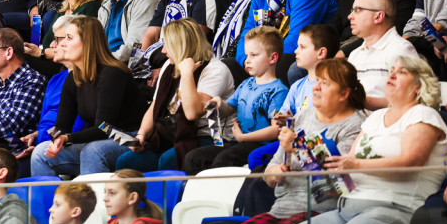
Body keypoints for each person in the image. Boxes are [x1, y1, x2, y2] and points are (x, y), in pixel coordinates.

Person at [282, 55, 447, 224]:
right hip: (347, 207)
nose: (392, 75)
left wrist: (356, 164)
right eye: (391, 70)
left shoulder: (424, 114)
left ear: (418, 87)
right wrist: (300, 149)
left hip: (395, 208)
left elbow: (411, 161)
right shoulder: (375, 118)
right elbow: (345, 168)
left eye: (401, 72)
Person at [216, 59, 366, 224]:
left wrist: (297, 147)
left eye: (325, 83)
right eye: (317, 81)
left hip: (320, 211)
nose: (316, 87)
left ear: (344, 94)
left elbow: (336, 183)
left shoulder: (356, 125)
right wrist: (274, 173)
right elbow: (272, 168)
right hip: (280, 207)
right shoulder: (303, 116)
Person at [119, 18, 235, 173]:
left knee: (167, 160)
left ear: (182, 46)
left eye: (168, 45)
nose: (163, 51)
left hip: (208, 137)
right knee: (126, 161)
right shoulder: (169, 65)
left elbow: (192, 113)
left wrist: (187, 73)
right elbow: (154, 106)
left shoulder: (215, 70)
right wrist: (141, 135)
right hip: (171, 133)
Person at [31, 17, 137, 176]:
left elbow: (105, 127)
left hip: (129, 137)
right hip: (101, 139)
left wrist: (67, 138)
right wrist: (56, 139)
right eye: (64, 38)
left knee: (92, 150)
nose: (62, 43)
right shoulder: (72, 78)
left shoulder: (112, 74)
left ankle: (91, 200)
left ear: (88, 43)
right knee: (41, 153)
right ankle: (53, 201)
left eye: (69, 38)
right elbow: (60, 126)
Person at [187, 27, 289, 173]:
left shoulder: (279, 90)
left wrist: (243, 137)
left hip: (259, 145)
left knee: (224, 159)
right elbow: (229, 108)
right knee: (194, 157)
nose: (247, 60)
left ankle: (217, 196)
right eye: (247, 55)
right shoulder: (246, 84)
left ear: (273, 58)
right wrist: (219, 104)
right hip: (237, 142)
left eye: (254, 55)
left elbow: (275, 129)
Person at [347, 0, 418, 109]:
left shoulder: (401, 50)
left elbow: (410, 100)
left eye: (357, 10)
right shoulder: (355, 54)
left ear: (378, 16)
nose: (350, 17)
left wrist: (359, 101)